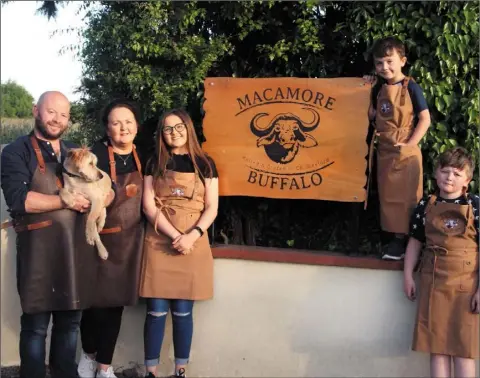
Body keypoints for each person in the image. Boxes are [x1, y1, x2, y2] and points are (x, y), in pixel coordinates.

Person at [0, 91, 114, 378]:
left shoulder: (76, 152)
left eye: (63, 115)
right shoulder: (16, 151)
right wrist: (66, 201)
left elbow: (106, 187)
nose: (57, 119)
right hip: (38, 255)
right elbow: (20, 200)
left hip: (75, 253)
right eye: (52, 112)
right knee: (36, 326)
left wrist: (101, 200)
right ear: (36, 110)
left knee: (70, 325)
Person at [139, 109, 219, 378]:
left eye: (179, 127)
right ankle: (151, 370)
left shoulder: (206, 164)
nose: (174, 133)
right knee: (156, 311)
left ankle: (180, 370)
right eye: (167, 128)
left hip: (193, 244)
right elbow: (149, 206)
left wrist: (192, 235)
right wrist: (174, 235)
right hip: (159, 240)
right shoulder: (153, 162)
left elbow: (212, 208)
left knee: (183, 312)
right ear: (161, 133)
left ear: (188, 128)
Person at [77, 99, 146, 378]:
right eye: (116, 123)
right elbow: (79, 192)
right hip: (99, 240)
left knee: (115, 306)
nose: (123, 127)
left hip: (130, 243)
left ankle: (105, 367)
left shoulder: (146, 157)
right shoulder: (95, 156)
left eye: (128, 122)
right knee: (93, 304)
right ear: (107, 128)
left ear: (137, 126)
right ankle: (88, 356)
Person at [403, 147, 479, 378]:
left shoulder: (476, 205)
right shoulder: (425, 206)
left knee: (463, 349)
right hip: (432, 283)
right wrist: (407, 276)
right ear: (435, 174)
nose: (449, 177)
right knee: (437, 350)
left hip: (467, 287)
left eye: (457, 173)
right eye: (445, 171)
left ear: (467, 179)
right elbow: (415, 243)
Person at [366, 36, 431, 260]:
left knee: (408, 198)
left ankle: (407, 243)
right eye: (379, 63)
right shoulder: (378, 89)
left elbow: (425, 119)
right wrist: (366, 88)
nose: (384, 67)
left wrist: (409, 145)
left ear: (402, 61)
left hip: (406, 151)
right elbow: (374, 117)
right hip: (385, 151)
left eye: (389, 61)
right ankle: (393, 242)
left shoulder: (412, 87)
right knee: (387, 198)